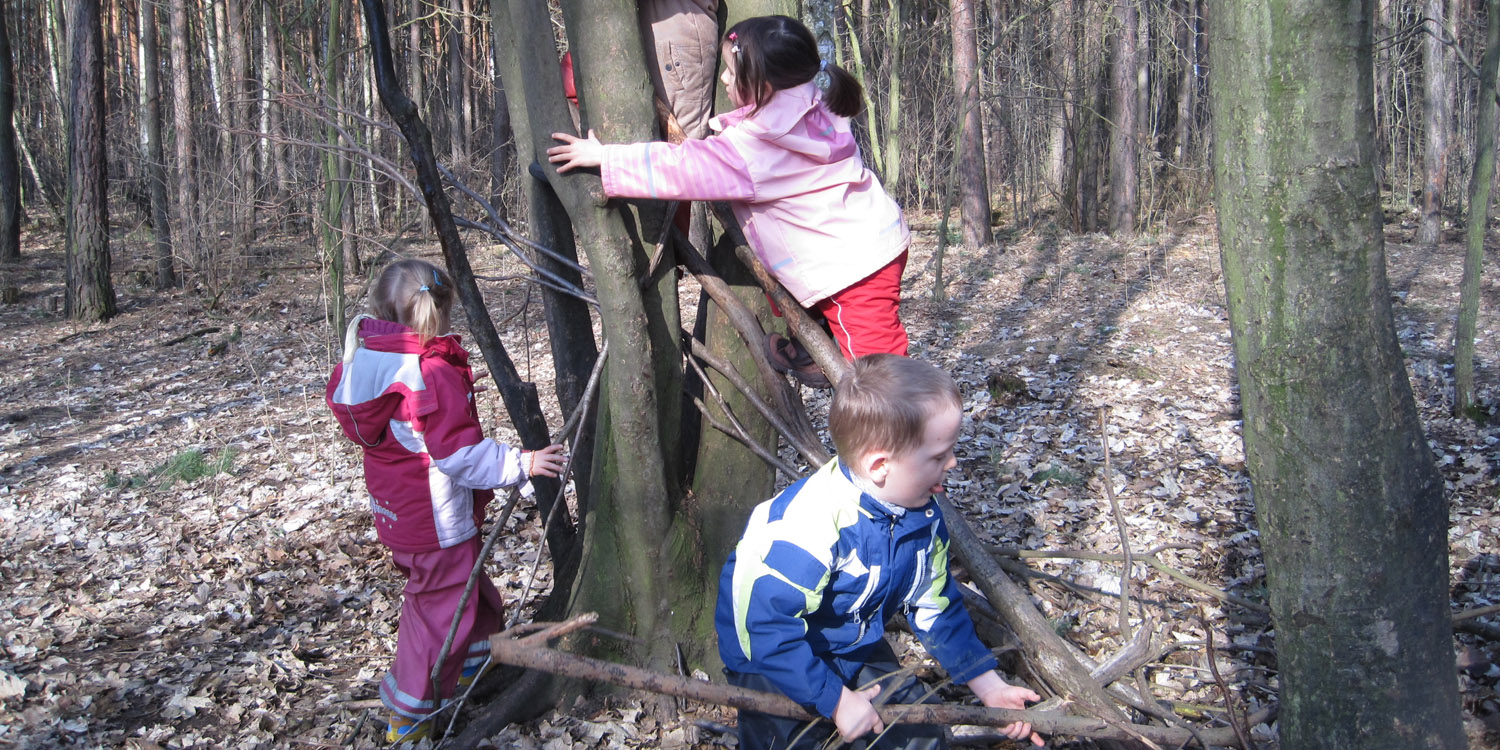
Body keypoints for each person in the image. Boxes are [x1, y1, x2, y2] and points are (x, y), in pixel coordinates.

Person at [548, 15, 911, 387]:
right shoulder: (813, 105)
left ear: (764, 87)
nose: (723, 79)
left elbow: (680, 168)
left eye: (731, 72)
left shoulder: (752, 152)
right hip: (868, 239)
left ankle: (899, 441)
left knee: (877, 376)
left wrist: (606, 157)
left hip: (854, 270)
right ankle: (819, 349)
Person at [714, 355, 1043, 749]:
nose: (952, 463)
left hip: (851, 644)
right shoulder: (808, 525)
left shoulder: (921, 515)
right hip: (774, 660)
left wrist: (987, 684)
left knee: (921, 734)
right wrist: (836, 701)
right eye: (939, 456)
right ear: (880, 465)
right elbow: (765, 625)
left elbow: (936, 606)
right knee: (790, 741)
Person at [325, 259, 567, 744]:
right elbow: (456, 454)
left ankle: (469, 673)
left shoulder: (371, 357)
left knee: (471, 594)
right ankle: (409, 719)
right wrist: (521, 463)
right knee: (438, 616)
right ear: (444, 311)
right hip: (435, 522)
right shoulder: (429, 372)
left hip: (402, 515)